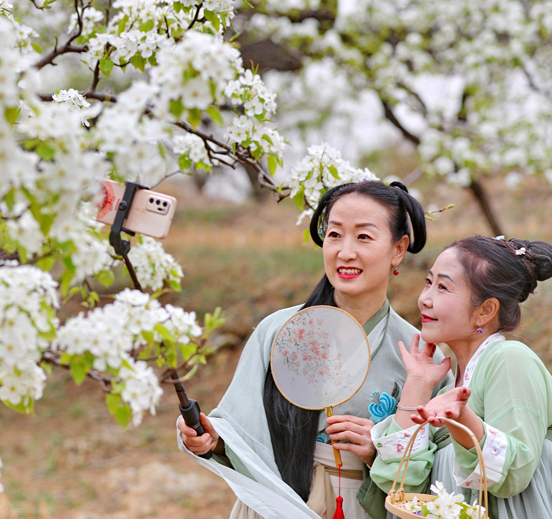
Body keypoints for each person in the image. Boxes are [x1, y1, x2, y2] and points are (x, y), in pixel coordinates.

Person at [177, 181, 452, 519]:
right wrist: (211, 439)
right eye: (335, 235)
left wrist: (380, 448)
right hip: (276, 503)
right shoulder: (278, 331)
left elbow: (441, 470)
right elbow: (237, 429)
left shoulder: (422, 357)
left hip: (364, 506)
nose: (345, 252)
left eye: (363, 237)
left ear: (399, 248)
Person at [369, 236, 552, 519]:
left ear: (485, 311)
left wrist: (463, 419)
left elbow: (514, 475)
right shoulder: (450, 381)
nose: (424, 298)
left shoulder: (509, 359)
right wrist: (418, 386)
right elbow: (400, 485)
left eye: (443, 287)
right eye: (428, 282)